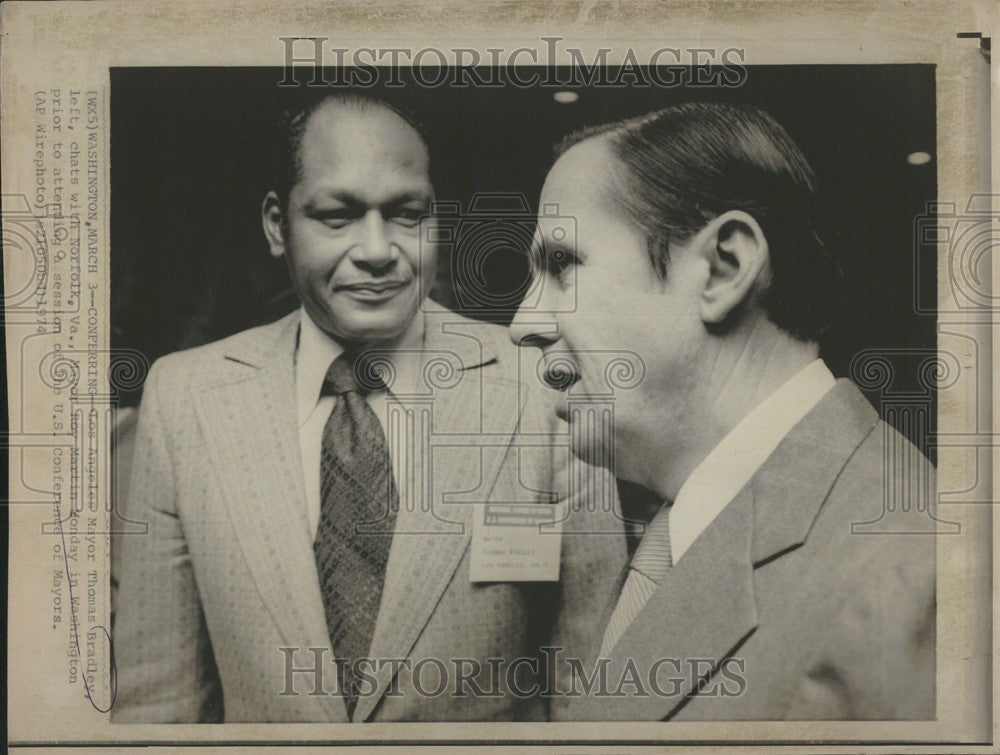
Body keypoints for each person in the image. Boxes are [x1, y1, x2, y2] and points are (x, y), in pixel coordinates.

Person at [112, 93, 625, 723]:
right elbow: (157, 700)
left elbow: (594, 684)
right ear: (278, 224)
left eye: (407, 214)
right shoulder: (184, 398)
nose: (378, 250)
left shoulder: (543, 386)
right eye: (338, 216)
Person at [509, 102, 935, 720]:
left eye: (561, 264)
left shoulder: (910, 580)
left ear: (723, 268)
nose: (524, 324)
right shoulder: (683, 525)